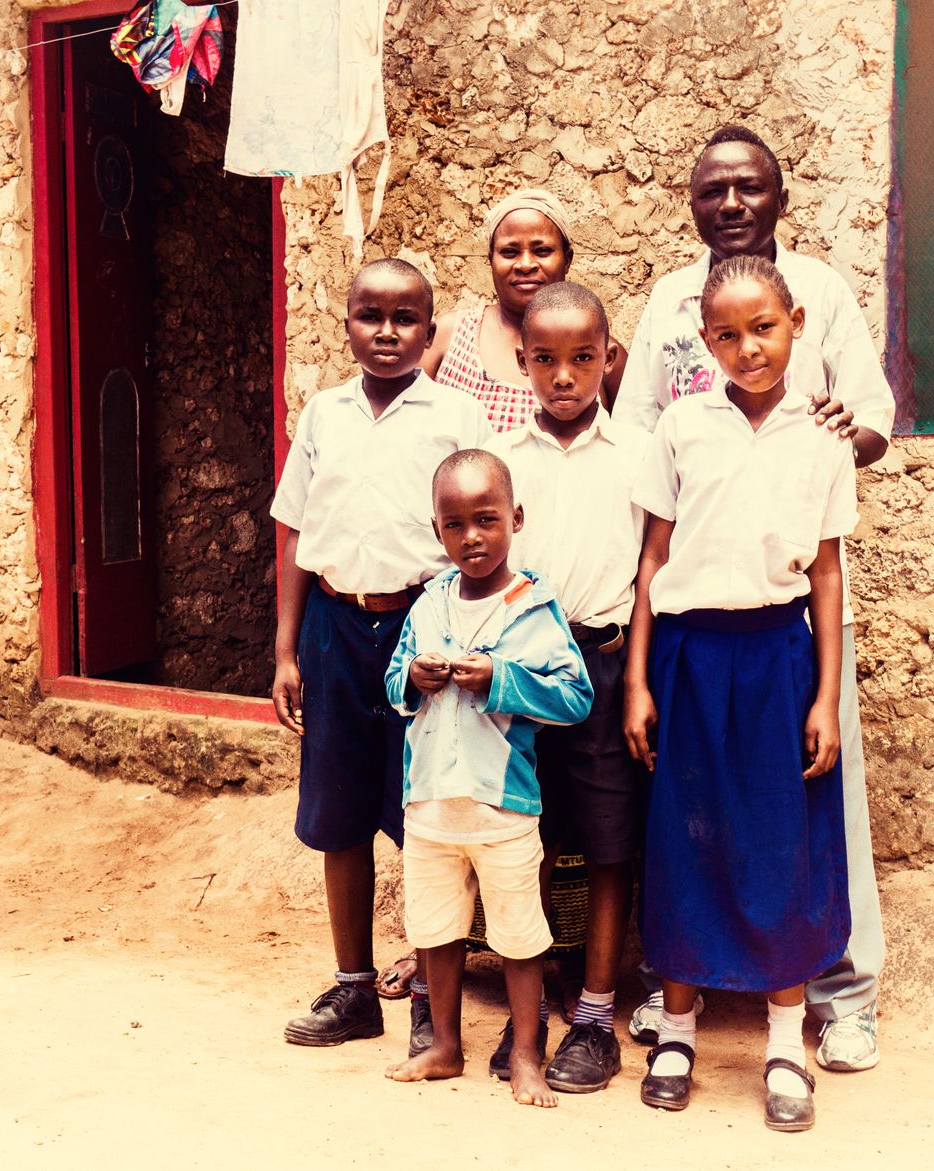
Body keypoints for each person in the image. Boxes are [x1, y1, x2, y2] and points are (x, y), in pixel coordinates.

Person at [614, 125, 894, 1072]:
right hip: (698, 611)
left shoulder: (821, 290)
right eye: (712, 190)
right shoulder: (666, 302)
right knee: (689, 806)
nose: (731, 203)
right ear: (691, 205)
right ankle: (674, 985)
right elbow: (641, 435)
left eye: (749, 187)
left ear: (780, 195)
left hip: (789, 614)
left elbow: (872, 421)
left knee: (816, 798)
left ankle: (840, 992)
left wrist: (823, 439)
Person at [624, 255, 856, 1131]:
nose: (748, 347)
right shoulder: (682, 425)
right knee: (688, 844)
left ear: (796, 320)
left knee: (778, 847)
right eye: (727, 333)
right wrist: (639, 679)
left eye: (764, 327)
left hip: (775, 660)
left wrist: (826, 696)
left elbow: (827, 576)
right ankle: (677, 1029)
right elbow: (652, 560)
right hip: (688, 655)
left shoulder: (823, 432)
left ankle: (786, 1041)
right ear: (704, 339)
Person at [270, 258, 492, 1052]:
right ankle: (355, 988)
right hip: (334, 628)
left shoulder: (455, 416)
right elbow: (294, 530)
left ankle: (434, 999)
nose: (388, 331)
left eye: (406, 318)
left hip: (423, 629)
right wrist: (286, 648)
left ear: (430, 333)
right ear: (348, 326)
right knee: (339, 814)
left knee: (428, 816)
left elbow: (483, 533)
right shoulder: (325, 414)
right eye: (372, 315)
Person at [382, 449, 593, 1105]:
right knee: (435, 930)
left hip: (503, 806)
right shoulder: (428, 605)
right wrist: (413, 679)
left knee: (519, 935)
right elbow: (391, 687)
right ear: (438, 530)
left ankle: (528, 1052)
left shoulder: (534, 606)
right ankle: (444, 1043)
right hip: (430, 807)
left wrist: (502, 680)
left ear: (515, 518)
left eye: (486, 519)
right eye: (455, 524)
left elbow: (575, 695)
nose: (471, 537)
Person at [484, 282, 649, 1093]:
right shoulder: (501, 459)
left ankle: (594, 1012)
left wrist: (640, 679)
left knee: (612, 841)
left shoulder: (638, 455)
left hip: (607, 661)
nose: (563, 375)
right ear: (521, 361)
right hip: (524, 670)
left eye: (583, 358)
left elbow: (651, 577)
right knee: (530, 837)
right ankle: (534, 1008)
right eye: (544, 359)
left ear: (609, 360)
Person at [423, 188, 626, 423]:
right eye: (509, 252)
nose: (526, 264)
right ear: (490, 260)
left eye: (542, 251)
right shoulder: (447, 337)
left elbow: (631, 441)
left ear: (567, 259)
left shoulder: (599, 352)